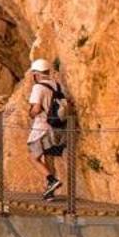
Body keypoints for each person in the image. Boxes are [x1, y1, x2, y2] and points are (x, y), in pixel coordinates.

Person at [26, 58, 69, 200]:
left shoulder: (38, 87)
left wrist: (31, 113)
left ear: (36, 74)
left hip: (42, 128)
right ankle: (50, 192)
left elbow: (37, 108)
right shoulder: (56, 85)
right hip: (57, 128)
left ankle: (52, 180)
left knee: (33, 158)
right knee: (48, 158)